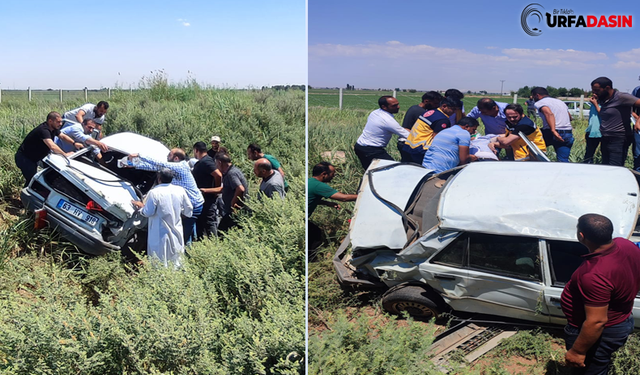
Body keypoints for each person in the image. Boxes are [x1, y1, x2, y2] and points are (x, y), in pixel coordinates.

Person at [561, 214, 640, 373]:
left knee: (592, 369)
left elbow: (596, 321)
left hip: (604, 332)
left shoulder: (594, 275)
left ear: (581, 236)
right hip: (623, 319)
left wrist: (577, 352)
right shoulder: (626, 244)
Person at [128, 148, 204, 245]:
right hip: (193, 203)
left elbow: (159, 164)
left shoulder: (180, 167)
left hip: (193, 205)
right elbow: (155, 168)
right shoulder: (177, 167)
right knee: (189, 232)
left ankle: (186, 253)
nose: (167, 157)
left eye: (169, 155)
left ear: (176, 158)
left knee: (182, 236)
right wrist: (133, 165)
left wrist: (139, 155)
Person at [132, 169, 192, 269]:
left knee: (159, 260)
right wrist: (181, 215)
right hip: (176, 230)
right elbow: (189, 209)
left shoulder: (154, 192)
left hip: (159, 232)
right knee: (176, 258)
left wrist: (141, 207)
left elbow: (148, 212)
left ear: (159, 178)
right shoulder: (180, 190)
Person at [308, 161, 358, 259]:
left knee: (314, 232)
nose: (334, 176)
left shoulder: (310, 182)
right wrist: (363, 195)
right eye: (332, 174)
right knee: (315, 234)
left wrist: (327, 203)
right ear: (324, 174)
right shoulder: (319, 185)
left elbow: (310, 199)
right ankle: (311, 259)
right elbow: (344, 198)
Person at [15, 112, 76, 187]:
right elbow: (52, 146)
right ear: (50, 121)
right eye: (58, 122)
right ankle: (26, 196)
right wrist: (65, 154)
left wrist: (74, 143)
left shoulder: (53, 128)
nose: (60, 124)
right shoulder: (43, 130)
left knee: (51, 174)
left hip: (36, 158)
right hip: (25, 159)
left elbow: (63, 136)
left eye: (61, 122)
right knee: (32, 181)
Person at [589, 77, 640, 166]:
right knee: (606, 166)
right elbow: (604, 115)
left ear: (607, 88)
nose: (594, 93)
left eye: (597, 90)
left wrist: (638, 121)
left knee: (615, 167)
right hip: (605, 137)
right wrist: (596, 104)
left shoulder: (621, 97)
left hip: (619, 138)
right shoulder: (603, 99)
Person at [354, 96, 410, 170]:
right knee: (393, 169)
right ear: (384, 107)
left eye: (397, 104)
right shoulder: (388, 120)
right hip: (371, 150)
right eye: (394, 105)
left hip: (360, 146)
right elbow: (408, 135)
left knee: (370, 172)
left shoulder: (375, 112)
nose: (398, 107)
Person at [402, 97, 461, 164]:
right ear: (444, 106)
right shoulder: (442, 120)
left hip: (409, 145)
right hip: (421, 149)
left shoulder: (431, 112)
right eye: (453, 109)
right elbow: (438, 139)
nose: (455, 112)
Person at [205, 153, 248, 232]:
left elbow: (240, 189)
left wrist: (233, 203)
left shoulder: (231, 173)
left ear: (220, 163)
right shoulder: (231, 171)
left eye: (216, 164)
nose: (216, 167)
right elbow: (224, 189)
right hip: (233, 211)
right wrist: (205, 190)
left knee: (222, 233)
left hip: (235, 211)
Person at [531, 87, 574, 163]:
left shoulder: (540, 102)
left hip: (551, 132)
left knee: (532, 149)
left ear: (537, 95)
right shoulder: (560, 102)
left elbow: (549, 113)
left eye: (533, 96)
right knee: (563, 160)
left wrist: (553, 130)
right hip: (567, 132)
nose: (533, 98)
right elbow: (570, 117)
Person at [192, 141, 222, 238]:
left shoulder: (206, 161)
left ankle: (214, 244)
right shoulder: (204, 161)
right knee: (202, 221)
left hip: (208, 197)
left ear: (196, 150)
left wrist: (215, 190)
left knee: (209, 222)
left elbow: (218, 175)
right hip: (203, 197)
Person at [583, 95, 602, 164]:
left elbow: (602, 113)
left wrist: (595, 104)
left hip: (602, 131)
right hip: (592, 131)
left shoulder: (605, 104)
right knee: (589, 153)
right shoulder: (592, 104)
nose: (593, 95)